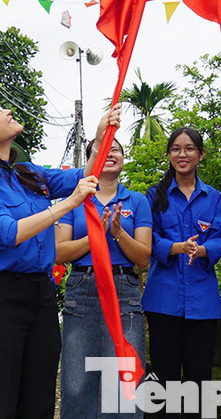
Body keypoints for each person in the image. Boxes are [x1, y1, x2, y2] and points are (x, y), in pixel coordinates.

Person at [0, 95, 96, 419]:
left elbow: (84, 175)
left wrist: (101, 134)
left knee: (39, 397)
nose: (8, 109)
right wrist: (68, 205)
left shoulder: (27, 173)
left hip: (40, 295)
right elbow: (7, 232)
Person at [57, 107, 152, 419]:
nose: (111, 153)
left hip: (124, 290)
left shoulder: (137, 201)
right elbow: (60, 252)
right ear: (92, 158)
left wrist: (118, 233)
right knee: (77, 381)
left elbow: (143, 257)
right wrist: (96, 236)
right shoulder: (75, 199)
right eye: (103, 147)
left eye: (117, 149)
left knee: (125, 383)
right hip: (82, 288)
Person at [142, 127, 221, 418]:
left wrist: (204, 250)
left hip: (202, 303)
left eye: (189, 148)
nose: (183, 154)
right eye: (176, 149)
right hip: (163, 301)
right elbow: (147, 237)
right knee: (163, 378)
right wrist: (175, 247)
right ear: (168, 155)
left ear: (200, 155)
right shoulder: (154, 196)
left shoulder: (215, 198)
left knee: (199, 379)